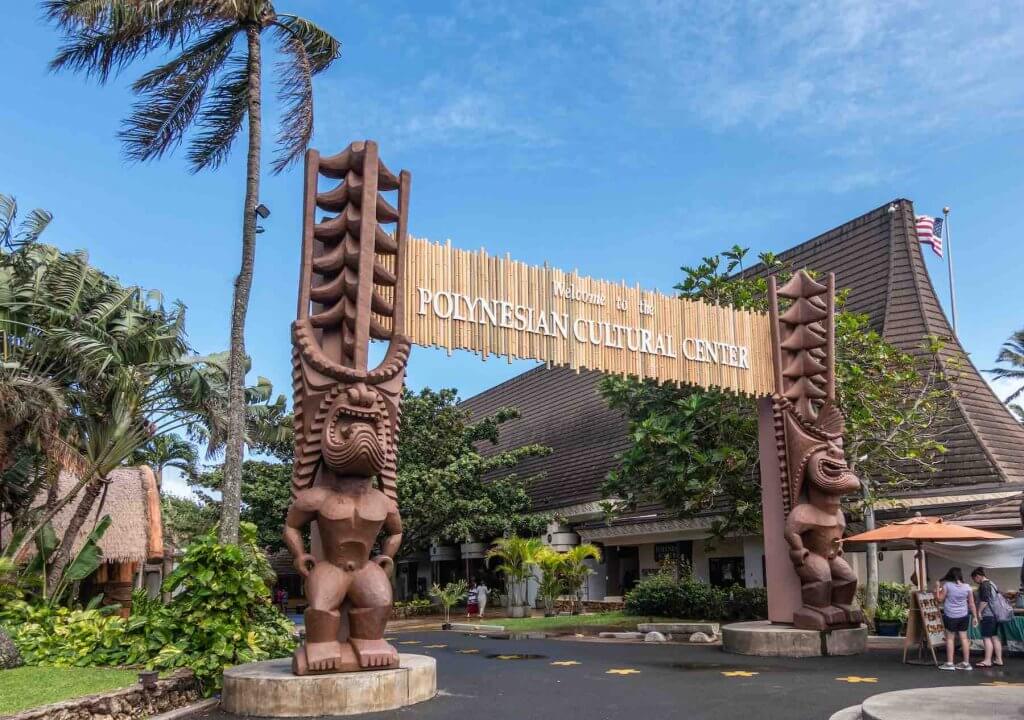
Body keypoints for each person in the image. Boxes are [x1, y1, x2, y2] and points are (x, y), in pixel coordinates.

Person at [935, 567, 979, 671]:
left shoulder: (947, 586)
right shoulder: (967, 587)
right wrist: (975, 616)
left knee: (950, 639)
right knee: (964, 639)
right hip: (964, 615)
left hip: (951, 616)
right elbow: (971, 603)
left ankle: (950, 663)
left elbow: (939, 599)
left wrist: (937, 588)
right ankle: (966, 663)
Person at [971, 567, 1005, 667]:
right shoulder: (992, 583)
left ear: (978, 576)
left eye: (974, 579)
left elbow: (984, 600)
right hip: (995, 614)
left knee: (986, 638)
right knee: (994, 637)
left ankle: (987, 660)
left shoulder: (984, 585)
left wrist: (979, 612)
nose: (975, 581)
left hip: (988, 615)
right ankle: (999, 659)